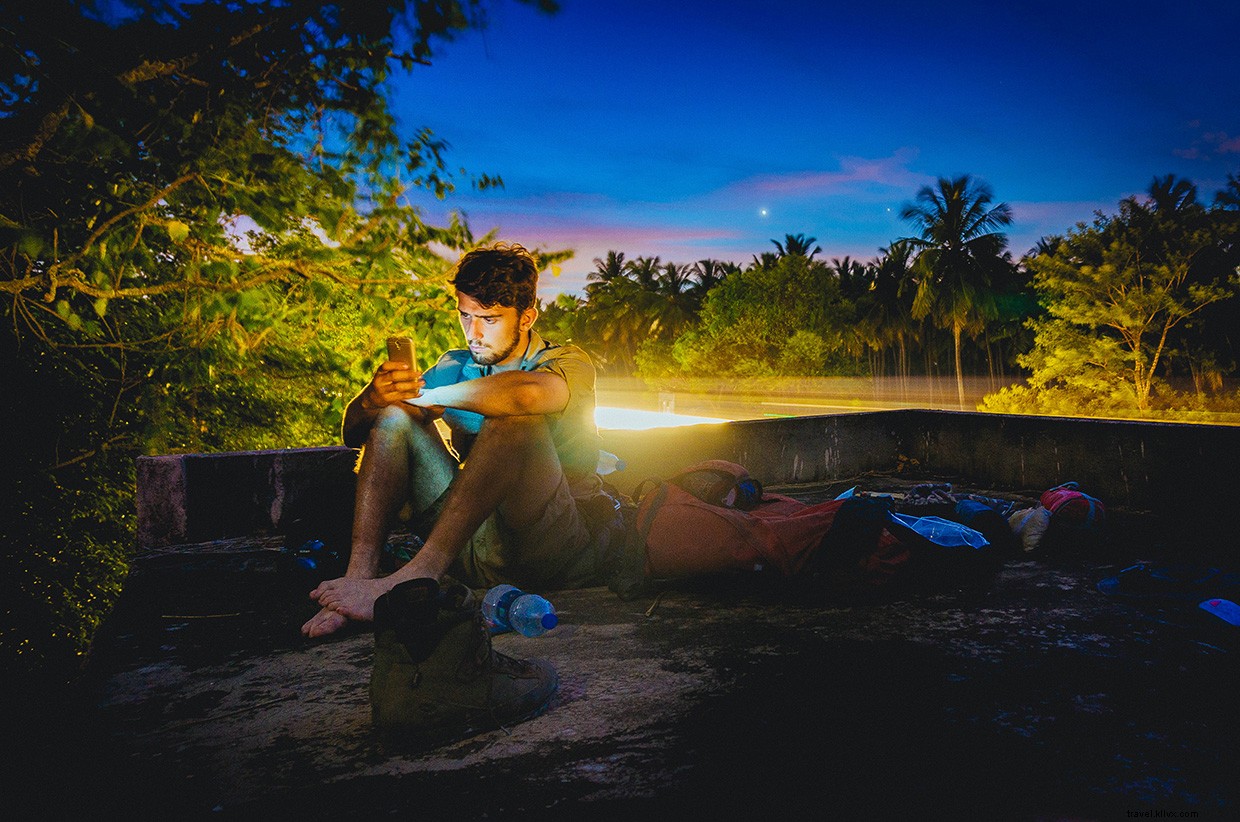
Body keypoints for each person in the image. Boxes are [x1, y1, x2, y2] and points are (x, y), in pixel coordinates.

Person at [301, 242, 621, 638]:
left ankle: (420, 573)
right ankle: (358, 581)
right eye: (466, 317)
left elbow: (523, 395)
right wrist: (373, 397)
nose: (475, 332)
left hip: (549, 542)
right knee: (394, 416)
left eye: (489, 319)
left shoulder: (565, 362)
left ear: (526, 318)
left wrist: (428, 397)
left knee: (514, 420)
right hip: (473, 542)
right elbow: (354, 434)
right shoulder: (454, 365)